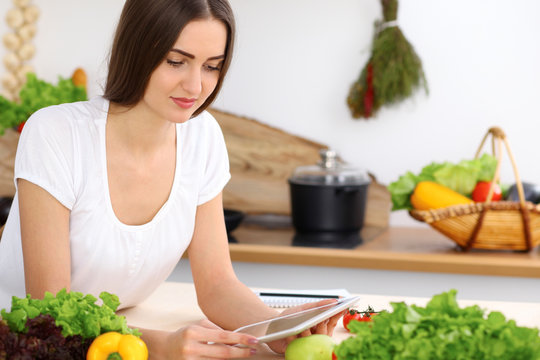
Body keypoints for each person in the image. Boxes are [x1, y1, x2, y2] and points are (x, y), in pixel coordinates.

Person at [0, 0, 342, 358]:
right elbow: (50, 313)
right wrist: (159, 344)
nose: (195, 86)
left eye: (212, 66)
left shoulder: (203, 137)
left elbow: (217, 285)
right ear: (136, 50)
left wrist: (275, 327)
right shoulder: (56, 134)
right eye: (176, 61)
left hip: (118, 336)